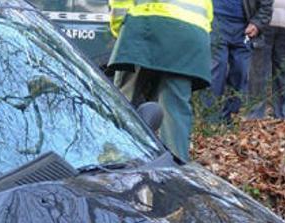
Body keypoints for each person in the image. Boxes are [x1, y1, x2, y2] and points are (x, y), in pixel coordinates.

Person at [107, 0, 213, 161]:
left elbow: (120, 3)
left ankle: (112, 161)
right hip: (192, 34)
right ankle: (175, 169)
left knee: (123, 102)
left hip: (145, 25)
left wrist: (120, 30)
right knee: (174, 111)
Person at [203, 0, 273, 122]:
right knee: (217, 69)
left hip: (244, 27)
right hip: (216, 21)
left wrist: (257, 23)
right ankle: (210, 119)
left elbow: (266, 6)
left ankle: (229, 117)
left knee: (241, 72)